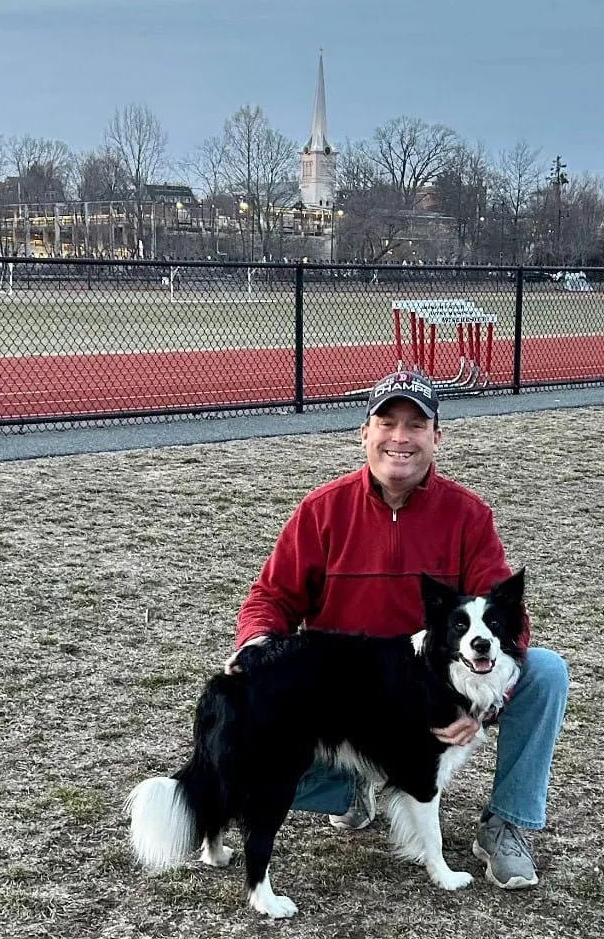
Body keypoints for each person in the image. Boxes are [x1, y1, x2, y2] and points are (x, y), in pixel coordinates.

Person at [226, 369, 569, 890]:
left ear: (436, 437)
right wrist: (254, 645)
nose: (400, 438)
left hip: (430, 688)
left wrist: (485, 707)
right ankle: (361, 784)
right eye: (387, 422)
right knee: (264, 754)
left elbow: (506, 622)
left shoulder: (467, 515)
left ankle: (506, 825)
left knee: (544, 672)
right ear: (364, 433)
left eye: (416, 424)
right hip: (344, 696)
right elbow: (270, 598)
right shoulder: (321, 511)